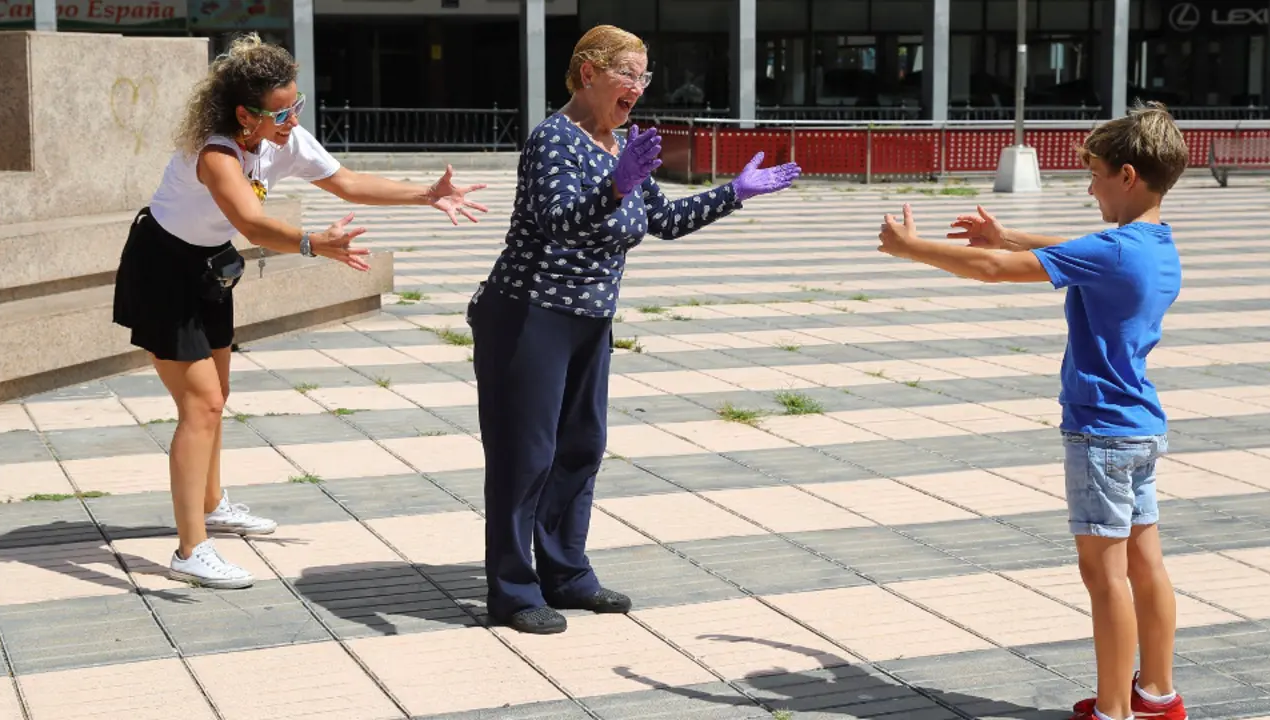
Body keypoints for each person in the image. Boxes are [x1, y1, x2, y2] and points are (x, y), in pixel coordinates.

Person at [112, 33, 488, 590]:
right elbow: (253, 223)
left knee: (218, 394)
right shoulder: (217, 153)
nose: (293, 119)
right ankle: (191, 549)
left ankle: (211, 504)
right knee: (203, 406)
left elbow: (347, 182)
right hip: (162, 269)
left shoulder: (280, 138)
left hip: (207, 267)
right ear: (245, 114)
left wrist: (425, 193)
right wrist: (313, 243)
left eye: (298, 106)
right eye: (283, 111)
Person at [466, 24, 800, 635]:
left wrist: (736, 192)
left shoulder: (617, 143)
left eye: (644, 75)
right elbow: (560, 222)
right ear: (587, 72)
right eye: (627, 72)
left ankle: (565, 573)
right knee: (525, 457)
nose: (638, 87)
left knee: (580, 449)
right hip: (529, 315)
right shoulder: (554, 140)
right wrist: (614, 183)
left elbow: (663, 220)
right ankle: (513, 591)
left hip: (590, 319)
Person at [875, 101, 1189, 720]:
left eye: (1095, 174)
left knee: (1106, 579)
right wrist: (1012, 233)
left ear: (1127, 176)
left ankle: (1111, 711)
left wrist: (913, 248)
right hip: (1142, 429)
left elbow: (996, 271)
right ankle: (1156, 696)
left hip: (1099, 432)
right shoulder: (1156, 245)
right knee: (1147, 565)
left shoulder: (1115, 252)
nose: (1089, 186)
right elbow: (1087, 247)